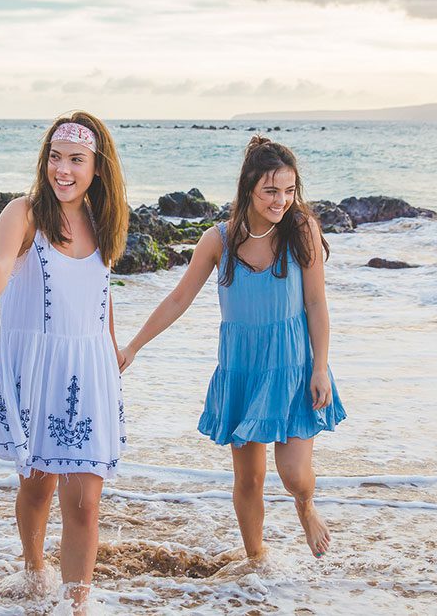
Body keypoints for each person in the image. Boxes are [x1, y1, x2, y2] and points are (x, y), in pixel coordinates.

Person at [119, 135, 346, 561]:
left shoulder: (301, 231)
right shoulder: (218, 240)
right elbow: (177, 299)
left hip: (293, 365)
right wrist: (133, 346)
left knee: (295, 475)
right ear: (248, 189)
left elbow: (316, 303)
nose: (282, 201)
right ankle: (256, 559)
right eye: (271, 191)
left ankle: (305, 506)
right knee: (249, 480)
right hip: (242, 368)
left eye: (290, 190)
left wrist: (321, 367)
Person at [0, 112, 129, 611]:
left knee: (86, 502)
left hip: (88, 371)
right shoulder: (24, 214)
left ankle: (77, 604)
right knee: (38, 485)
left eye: (76, 160)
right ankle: (33, 567)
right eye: (55, 158)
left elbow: (102, 296)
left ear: (98, 168)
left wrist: (112, 353)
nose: (62, 170)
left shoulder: (103, 222)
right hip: (38, 369)